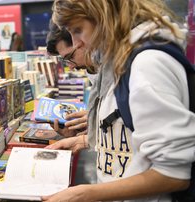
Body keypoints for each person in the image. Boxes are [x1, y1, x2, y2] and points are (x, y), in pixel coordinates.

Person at [43, 0, 195, 201]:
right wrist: (85, 140)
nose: (77, 42)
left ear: (102, 15)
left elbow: (173, 175)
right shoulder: (116, 62)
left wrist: (85, 193)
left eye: (78, 30)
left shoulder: (147, 64)